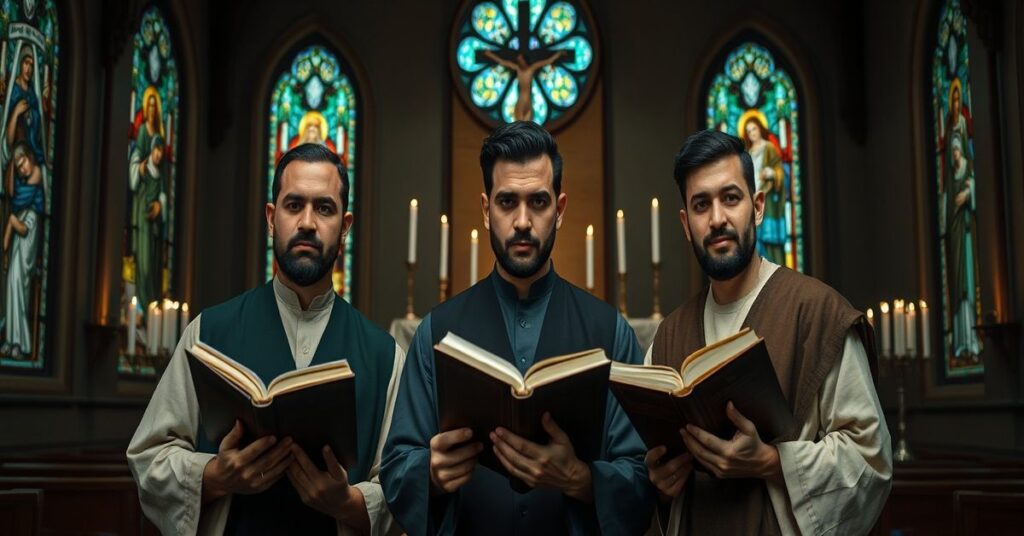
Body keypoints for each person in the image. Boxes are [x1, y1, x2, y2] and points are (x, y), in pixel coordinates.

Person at [381, 121, 655, 535]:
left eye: (538, 202)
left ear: (559, 210)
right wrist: (431, 473)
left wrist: (579, 479)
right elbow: (397, 468)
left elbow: (642, 477)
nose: (523, 221)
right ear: (485, 208)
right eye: (507, 201)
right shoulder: (435, 332)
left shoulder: (611, 332)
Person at [127, 143, 403, 535]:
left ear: (345, 226)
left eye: (324, 208)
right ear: (272, 218)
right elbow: (148, 458)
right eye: (294, 205)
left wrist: (350, 504)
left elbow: (404, 490)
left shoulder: (386, 356)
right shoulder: (206, 334)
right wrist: (214, 475)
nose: (307, 222)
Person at [644, 129, 891, 534]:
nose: (718, 218)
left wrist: (773, 463)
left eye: (731, 198)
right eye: (702, 205)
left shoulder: (817, 314)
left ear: (757, 206)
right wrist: (659, 483)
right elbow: (653, 472)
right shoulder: (667, 337)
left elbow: (870, 463)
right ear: (686, 224)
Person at [1, 142, 43, 358]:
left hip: (26, 249)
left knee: (18, 286)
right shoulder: (22, 199)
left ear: (30, 157)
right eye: (18, 167)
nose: (22, 168)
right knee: (11, 287)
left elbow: (25, 229)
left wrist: (11, 222)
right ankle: (11, 339)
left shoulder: (34, 204)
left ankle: (22, 343)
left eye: (23, 161)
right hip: (18, 248)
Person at [741, 116, 785, 266]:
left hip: (768, 198)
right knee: (755, 239)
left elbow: (779, 170)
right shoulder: (748, 152)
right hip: (752, 197)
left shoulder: (769, 147)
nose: (752, 133)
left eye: (754, 128)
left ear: (760, 128)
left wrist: (770, 173)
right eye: (748, 131)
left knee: (769, 238)